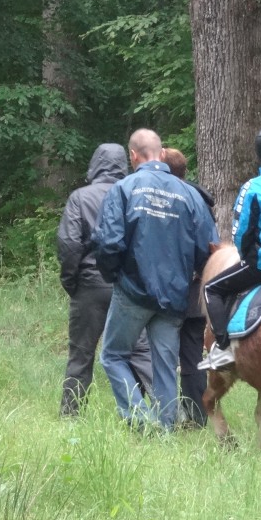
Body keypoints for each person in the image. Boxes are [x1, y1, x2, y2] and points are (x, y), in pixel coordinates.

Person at [93, 129, 218, 430]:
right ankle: (165, 430)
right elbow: (209, 250)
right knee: (165, 367)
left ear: (133, 156)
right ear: (161, 154)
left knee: (112, 355)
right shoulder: (189, 195)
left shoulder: (123, 189)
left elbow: (108, 243)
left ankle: (142, 420)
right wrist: (188, 277)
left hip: (133, 292)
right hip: (175, 296)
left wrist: (117, 278)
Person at [56, 143, 155, 417]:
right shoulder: (136, 194)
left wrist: (71, 282)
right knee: (140, 352)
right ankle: (162, 409)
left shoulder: (80, 197)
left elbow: (69, 244)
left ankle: (71, 415)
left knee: (81, 353)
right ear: (124, 164)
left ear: (95, 164)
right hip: (129, 287)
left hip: (89, 286)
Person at [200, 124, 261, 370]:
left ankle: (222, 349)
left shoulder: (253, 188)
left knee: (212, 289)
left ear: (260, 152)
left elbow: (241, 232)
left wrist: (245, 257)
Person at [162, 147, 212, 427]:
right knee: (193, 355)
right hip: (195, 289)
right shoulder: (200, 200)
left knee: (162, 351)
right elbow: (210, 246)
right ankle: (197, 415)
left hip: (166, 290)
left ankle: (165, 412)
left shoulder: (162, 200)